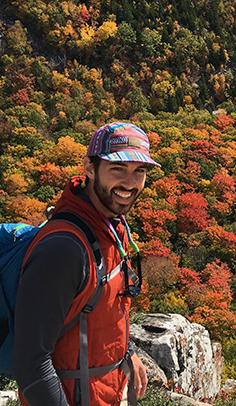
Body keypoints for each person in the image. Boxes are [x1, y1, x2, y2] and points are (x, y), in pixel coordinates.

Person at [13, 122, 160, 406]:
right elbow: (30, 362)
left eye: (139, 171)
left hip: (105, 391)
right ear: (90, 169)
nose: (130, 183)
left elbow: (104, 309)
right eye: (118, 169)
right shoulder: (65, 250)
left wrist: (127, 352)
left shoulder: (110, 226)